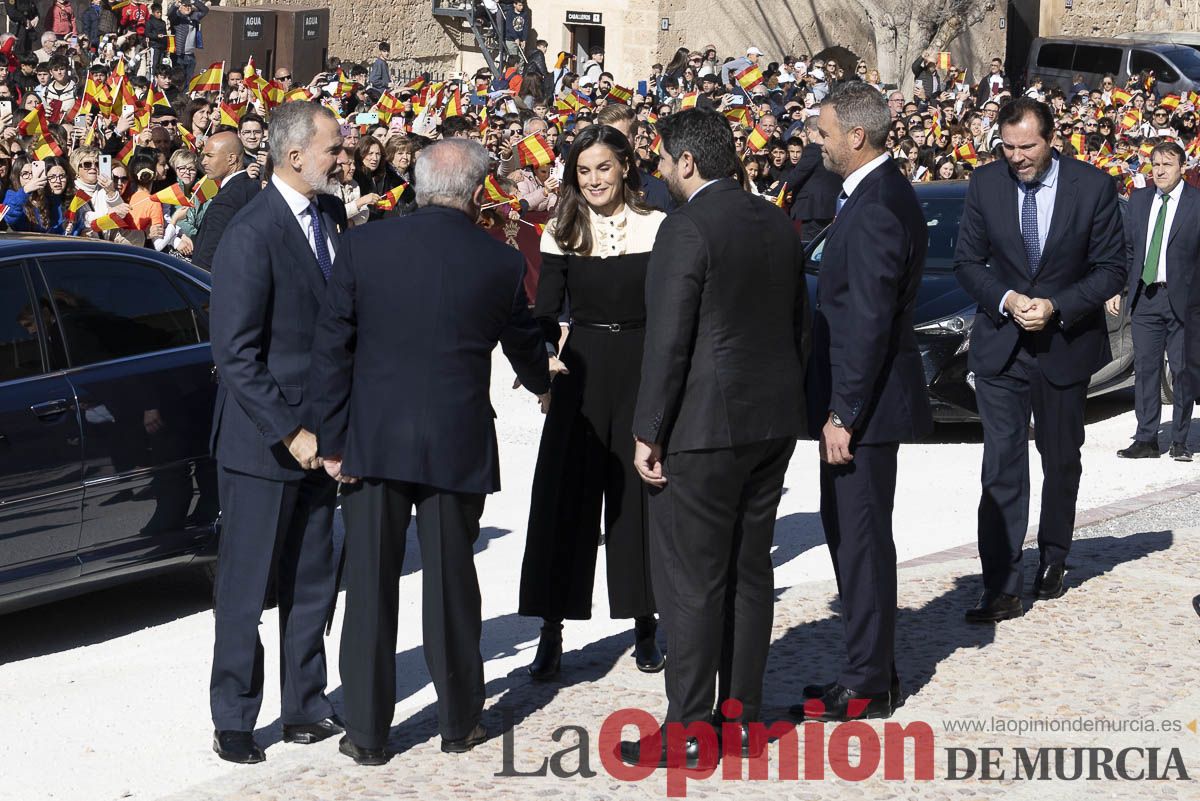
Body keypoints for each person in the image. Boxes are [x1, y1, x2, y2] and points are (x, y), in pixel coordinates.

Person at [309, 138, 551, 766]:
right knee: (451, 583)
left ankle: (365, 731)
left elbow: (331, 350)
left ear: (415, 187)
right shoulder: (497, 261)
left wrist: (332, 441)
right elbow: (525, 342)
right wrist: (549, 383)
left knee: (369, 587)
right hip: (455, 440)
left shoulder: (363, 246)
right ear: (477, 194)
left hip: (372, 442)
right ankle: (460, 720)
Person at [619, 108, 808, 768]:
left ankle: (690, 727)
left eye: (664, 160)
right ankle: (744, 719)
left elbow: (668, 340)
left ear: (688, 161)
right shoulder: (775, 220)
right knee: (750, 572)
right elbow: (797, 323)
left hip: (702, 427)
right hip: (771, 420)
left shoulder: (686, 226)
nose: (660, 171)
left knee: (693, 580)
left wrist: (648, 429)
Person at [207, 101, 348, 765]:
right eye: (332, 149)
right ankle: (234, 716)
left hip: (324, 441)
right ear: (295, 157)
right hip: (264, 447)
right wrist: (289, 430)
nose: (340, 159)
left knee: (313, 581)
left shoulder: (332, 217)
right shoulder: (250, 231)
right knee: (245, 589)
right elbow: (235, 353)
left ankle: (305, 706)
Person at [787, 83, 932, 724]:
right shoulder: (872, 193)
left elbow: (866, 321)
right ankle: (872, 665)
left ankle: (868, 681)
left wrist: (843, 412)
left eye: (823, 133)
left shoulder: (875, 205)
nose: (814, 143)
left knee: (861, 539)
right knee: (850, 536)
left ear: (857, 137)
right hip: (857, 405)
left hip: (862, 412)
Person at [953, 98, 1125, 622]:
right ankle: (1001, 584)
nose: (1017, 157)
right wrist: (1006, 299)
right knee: (1001, 465)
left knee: (1060, 457)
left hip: (1063, 345)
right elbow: (967, 261)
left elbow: (1111, 268)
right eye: (1008, 147)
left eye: (1027, 146)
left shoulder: (1091, 187)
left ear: (1052, 139)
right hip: (1001, 347)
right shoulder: (985, 184)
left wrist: (1058, 306)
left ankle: (1054, 553)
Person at [518, 124, 667, 682]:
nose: (595, 179)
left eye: (603, 167)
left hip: (640, 363)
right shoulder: (561, 228)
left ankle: (646, 626)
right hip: (580, 369)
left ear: (625, 166)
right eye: (584, 170)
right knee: (565, 504)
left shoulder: (658, 226)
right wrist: (543, 373)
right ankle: (550, 632)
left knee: (637, 498)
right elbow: (544, 313)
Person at [1110, 142, 1199, 461]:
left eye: (1167, 164)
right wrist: (1117, 288)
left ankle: (1179, 440)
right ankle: (1146, 438)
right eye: (1155, 164)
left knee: (1182, 370)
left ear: (1182, 168)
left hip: (1184, 302)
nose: (1160, 170)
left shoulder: (1196, 203)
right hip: (1145, 297)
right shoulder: (1140, 199)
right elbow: (1128, 250)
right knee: (1146, 369)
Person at [193, 131, 261, 271]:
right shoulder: (254, 187)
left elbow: (209, 258)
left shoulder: (226, 200)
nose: (204, 161)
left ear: (231, 159)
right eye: (204, 156)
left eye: (210, 156)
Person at [782, 114, 842, 245]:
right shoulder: (836, 149)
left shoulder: (813, 149)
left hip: (813, 210)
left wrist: (775, 192)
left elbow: (797, 175)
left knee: (809, 249)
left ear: (808, 131)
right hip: (831, 209)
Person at [168, 0, 207, 87]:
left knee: (189, 81)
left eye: (189, 6)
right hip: (179, 55)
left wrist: (194, 1)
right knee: (179, 80)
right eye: (185, 6)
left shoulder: (193, 16)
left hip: (190, 54)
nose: (188, 7)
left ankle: (186, 97)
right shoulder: (177, 18)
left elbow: (205, 10)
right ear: (180, 7)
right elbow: (170, 14)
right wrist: (175, 5)